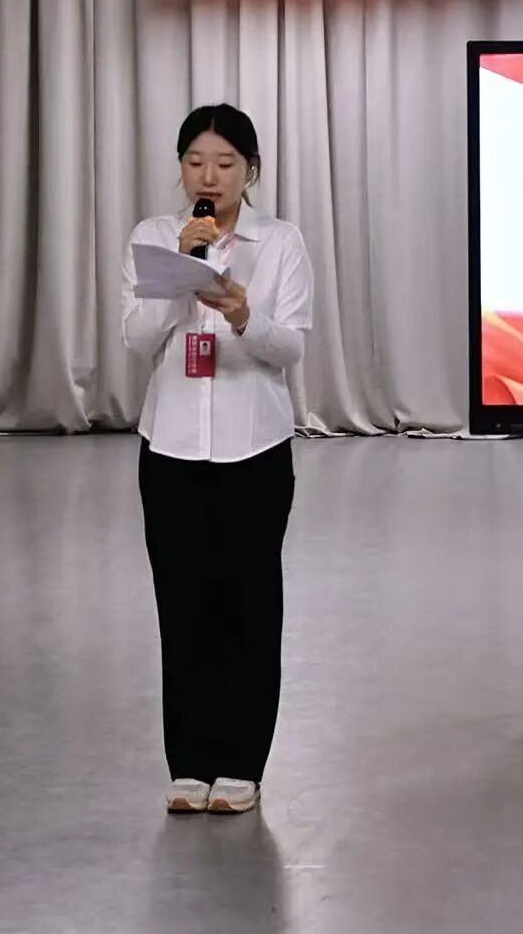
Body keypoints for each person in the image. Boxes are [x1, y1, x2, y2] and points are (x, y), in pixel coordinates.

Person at [120, 104, 313, 815]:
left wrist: (240, 312)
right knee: (183, 608)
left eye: (226, 164)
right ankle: (189, 764)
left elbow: (290, 347)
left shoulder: (280, 242)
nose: (210, 176)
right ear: (181, 168)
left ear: (249, 171)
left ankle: (241, 764)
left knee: (249, 609)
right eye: (196, 162)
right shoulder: (153, 238)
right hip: (170, 448)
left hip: (254, 448)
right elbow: (138, 340)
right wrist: (182, 274)